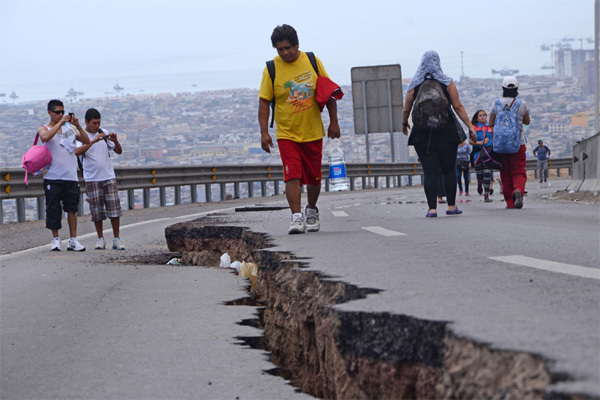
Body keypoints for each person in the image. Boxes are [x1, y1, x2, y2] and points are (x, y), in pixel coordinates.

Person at [258, 24, 340, 234]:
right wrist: (264, 133)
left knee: (314, 177)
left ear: (297, 45)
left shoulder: (312, 61)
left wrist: (334, 122)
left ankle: (311, 210)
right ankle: (296, 217)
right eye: (280, 49)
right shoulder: (271, 68)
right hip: (286, 133)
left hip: (312, 131)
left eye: (288, 48)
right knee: (291, 174)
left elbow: (328, 90)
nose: (285, 53)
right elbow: (264, 101)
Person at [402, 51, 476, 217]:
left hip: (423, 134)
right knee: (449, 170)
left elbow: (406, 108)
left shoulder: (415, 84)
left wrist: (404, 123)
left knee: (430, 172)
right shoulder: (447, 82)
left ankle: (432, 209)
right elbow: (458, 107)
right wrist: (470, 126)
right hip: (446, 132)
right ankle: (451, 207)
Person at [39, 99, 90, 251]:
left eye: (62, 112)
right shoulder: (44, 128)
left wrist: (77, 125)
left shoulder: (70, 129)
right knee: (53, 209)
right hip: (52, 176)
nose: (60, 114)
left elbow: (87, 141)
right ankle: (55, 239)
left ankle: (73, 239)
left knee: (72, 209)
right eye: (57, 112)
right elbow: (45, 137)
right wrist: (60, 123)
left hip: (70, 176)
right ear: (49, 112)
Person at [75, 108, 125, 250]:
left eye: (98, 123)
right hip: (92, 178)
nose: (97, 126)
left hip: (108, 176)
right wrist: (93, 141)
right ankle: (100, 238)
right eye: (94, 123)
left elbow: (118, 151)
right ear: (86, 122)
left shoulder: (103, 132)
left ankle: (117, 238)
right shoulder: (81, 136)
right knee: (96, 211)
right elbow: (77, 152)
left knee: (114, 209)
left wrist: (115, 141)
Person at [488, 76, 530, 209]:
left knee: (504, 173)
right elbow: (527, 122)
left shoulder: (496, 103)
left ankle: (510, 203)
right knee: (519, 171)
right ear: (517, 89)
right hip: (518, 144)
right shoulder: (521, 104)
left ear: (502, 88)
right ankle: (518, 190)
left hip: (500, 145)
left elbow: (490, 124)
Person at [470, 109, 500, 202]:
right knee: (480, 174)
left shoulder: (490, 127)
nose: (483, 117)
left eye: (484, 115)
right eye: (480, 115)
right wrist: (481, 142)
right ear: (477, 118)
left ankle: (486, 195)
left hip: (488, 153)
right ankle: (479, 183)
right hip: (477, 153)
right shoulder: (473, 128)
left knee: (487, 174)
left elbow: (494, 138)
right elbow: (470, 142)